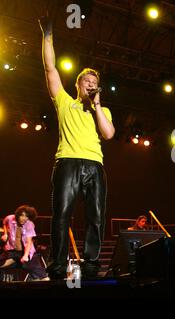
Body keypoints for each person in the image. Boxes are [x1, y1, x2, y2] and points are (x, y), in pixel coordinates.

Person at [40, 15, 115, 279]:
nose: (92, 85)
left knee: (96, 217)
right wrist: (47, 35)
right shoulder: (64, 101)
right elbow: (51, 69)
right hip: (68, 162)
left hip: (95, 164)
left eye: (95, 83)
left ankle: (92, 265)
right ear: (78, 85)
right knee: (61, 214)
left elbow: (108, 134)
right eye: (87, 82)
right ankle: (58, 265)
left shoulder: (101, 109)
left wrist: (96, 106)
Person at [0, 205, 49, 281]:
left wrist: (25, 255)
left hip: (26, 252)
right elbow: (4, 222)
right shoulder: (9, 218)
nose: (24, 218)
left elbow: (28, 242)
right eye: (22, 216)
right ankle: (16, 261)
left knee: (41, 276)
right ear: (17, 214)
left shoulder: (29, 224)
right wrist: (5, 233)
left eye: (27, 217)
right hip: (12, 251)